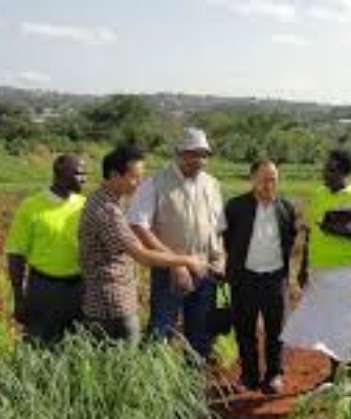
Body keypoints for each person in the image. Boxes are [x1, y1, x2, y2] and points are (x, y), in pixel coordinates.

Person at [78, 145, 207, 341]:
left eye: (142, 176)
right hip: (111, 305)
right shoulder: (107, 211)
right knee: (126, 364)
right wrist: (186, 260)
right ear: (114, 174)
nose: (139, 183)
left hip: (110, 300)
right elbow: (141, 255)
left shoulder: (107, 200)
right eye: (134, 177)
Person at [281, 149, 351, 383]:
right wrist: (304, 267)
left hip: (350, 272)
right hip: (321, 272)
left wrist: (339, 229)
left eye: (331, 170)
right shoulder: (318, 195)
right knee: (329, 324)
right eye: (325, 169)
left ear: (344, 172)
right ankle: (335, 372)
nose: (325, 173)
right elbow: (309, 233)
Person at [128, 127, 225, 358]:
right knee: (160, 333)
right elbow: (139, 226)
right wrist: (174, 263)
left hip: (205, 271)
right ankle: (154, 389)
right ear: (178, 153)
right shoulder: (155, 183)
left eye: (203, 155)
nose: (199, 160)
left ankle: (192, 387)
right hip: (169, 274)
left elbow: (219, 228)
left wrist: (221, 257)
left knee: (201, 335)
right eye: (193, 153)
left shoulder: (212, 184)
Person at [223, 159, 298, 394]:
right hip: (244, 277)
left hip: (275, 278)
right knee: (245, 329)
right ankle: (249, 375)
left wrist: (290, 277)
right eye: (264, 178)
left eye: (273, 179)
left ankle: (274, 374)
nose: (269, 184)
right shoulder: (235, 207)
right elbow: (228, 239)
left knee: (276, 330)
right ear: (252, 179)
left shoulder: (286, 208)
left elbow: (291, 241)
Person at [5, 154, 87, 343]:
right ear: (60, 175)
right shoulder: (31, 207)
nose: (84, 178)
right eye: (78, 174)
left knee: (77, 346)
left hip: (79, 288)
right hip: (44, 288)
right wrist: (18, 298)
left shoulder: (84, 204)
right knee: (39, 344)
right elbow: (16, 254)